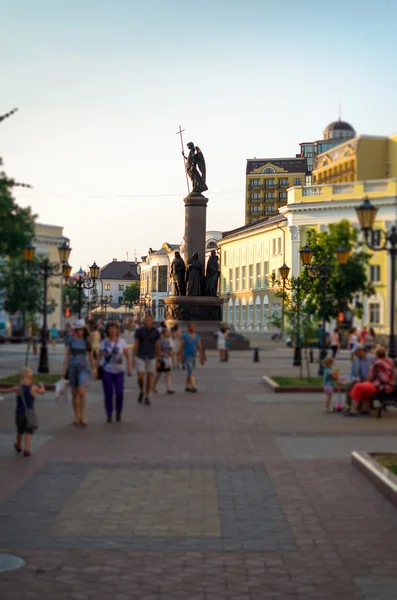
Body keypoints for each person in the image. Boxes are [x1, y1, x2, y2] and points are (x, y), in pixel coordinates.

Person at [3, 367, 45, 457]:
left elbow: (6, 391)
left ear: (20, 378)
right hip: (30, 413)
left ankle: (18, 444)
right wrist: (41, 386)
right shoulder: (33, 388)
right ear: (31, 378)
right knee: (28, 431)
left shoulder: (17, 388)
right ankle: (27, 449)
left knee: (20, 430)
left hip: (19, 413)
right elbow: (42, 392)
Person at [62, 318, 96, 427]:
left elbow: (91, 357)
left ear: (84, 329)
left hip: (84, 368)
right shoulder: (71, 340)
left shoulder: (87, 341)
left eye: (81, 329)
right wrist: (64, 370)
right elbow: (67, 355)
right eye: (77, 329)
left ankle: (83, 416)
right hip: (73, 367)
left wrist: (94, 369)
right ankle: (77, 417)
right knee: (74, 392)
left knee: (82, 391)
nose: (79, 331)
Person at [97, 322, 132, 423]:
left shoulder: (122, 342)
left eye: (114, 329)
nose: (112, 331)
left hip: (119, 371)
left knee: (119, 392)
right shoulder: (104, 342)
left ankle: (118, 411)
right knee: (108, 392)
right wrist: (95, 369)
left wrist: (129, 368)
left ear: (117, 330)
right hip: (107, 371)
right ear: (107, 330)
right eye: (110, 329)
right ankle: (109, 413)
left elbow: (127, 355)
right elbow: (99, 357)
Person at [347, 346, 395, 416]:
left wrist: (365, 381)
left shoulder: (377, 363)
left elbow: (370, 377)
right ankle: (365, 409)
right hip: (388, 386)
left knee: (358, 386)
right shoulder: (389, 361)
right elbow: (394, 373)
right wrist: (391, 383)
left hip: (379, 386)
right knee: (364, 387)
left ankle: (353, 410)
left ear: (376, 355)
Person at [133, 314, 161, 406]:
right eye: (145, 320)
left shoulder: (155, 332)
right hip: (141, 355)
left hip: (151, 356)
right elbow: (136, 344)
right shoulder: (139, 331)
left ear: (152, 321)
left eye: (148, 320)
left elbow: (158, 346)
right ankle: (141, 390)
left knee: (149, 377)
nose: (147, 321)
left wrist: (159, 359)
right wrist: (133, 357)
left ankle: (147, 396)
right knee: (140, 376)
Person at [180, 323, 205, 393]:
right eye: (191, 327)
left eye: (193, 327)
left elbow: (200, 347)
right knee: (191, 371)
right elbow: (181, 347)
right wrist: (181, 357)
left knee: (190, 371)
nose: (192, 328)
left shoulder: (197, 336)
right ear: (188, 328)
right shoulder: (185, 336)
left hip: (194, 356)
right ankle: (193, 386)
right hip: (187, 356)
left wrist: (201, 357)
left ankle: (187, 386)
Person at [152, 329, 175, 394]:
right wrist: (163, 354)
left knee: (168, 373)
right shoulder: (160, 341)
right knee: (159, 374)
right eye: (167, 332)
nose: (169, 333)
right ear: (164, 333)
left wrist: (171, 353)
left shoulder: (169, 340)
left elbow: (170, 349)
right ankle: (154, 386)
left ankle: (169, 388)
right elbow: (156, 350)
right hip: (161, 359)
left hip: (167, 359)